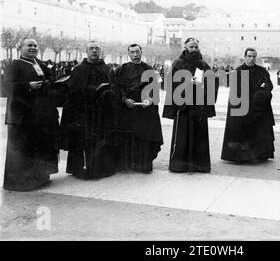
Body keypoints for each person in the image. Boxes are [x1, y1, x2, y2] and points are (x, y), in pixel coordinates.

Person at [3, 38, 60, 191]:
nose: (33, 48)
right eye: (29, 45)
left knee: (39, 146)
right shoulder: (14, 65)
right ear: (21, 48)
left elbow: (50, 81)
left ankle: (40, 178)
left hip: (40, 114)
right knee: (23, 148)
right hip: (21, 114)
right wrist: (27, 86)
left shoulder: (40, 64)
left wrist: (48, 84)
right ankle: (21, 183)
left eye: (35, 45)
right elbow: (6, 86)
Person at [60, 41, 117, 179]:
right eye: (91, 48)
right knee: (81, 141)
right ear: (86, 51)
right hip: (83, 113)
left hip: (101, 113)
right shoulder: (79, 69)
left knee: (101, 141)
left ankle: (101, 168)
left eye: (97, 48)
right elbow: (73, 91)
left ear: (101, 51)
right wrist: (92, 91)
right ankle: (78, 168)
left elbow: (115, 89)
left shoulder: (108, 70)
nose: (94, 51)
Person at [162, 37, 218, 173]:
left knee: (199, 135)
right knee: (182, 135)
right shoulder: (178, 63)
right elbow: (169, 83)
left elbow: (212, 81)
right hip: (183, 105)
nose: (194, 49)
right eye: (191, 47)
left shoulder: (203, 64)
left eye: (196, 47)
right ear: (185, 47)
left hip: (199, 105)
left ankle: (199, 165)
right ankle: (179, 165)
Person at [114, 44, 163, 173]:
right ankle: (129, 164)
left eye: (137, 52)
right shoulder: (122, 69)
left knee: (145, 137)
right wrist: (124, 99)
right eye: (132, 52)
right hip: (128, 109)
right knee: (129, 136)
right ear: (128, 54)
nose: (135, 55)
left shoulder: (149, 69)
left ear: (141, 52)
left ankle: (144, 164)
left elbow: (155, 88)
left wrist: (150, 99)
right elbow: (118, 87)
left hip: (145, 110)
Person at [221, 48, 275, 163]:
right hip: (243, 106)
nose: (252, 59)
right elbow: (235, 92)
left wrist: (262, 93)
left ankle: (259, 154)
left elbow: (269, 86)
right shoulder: (238, 71)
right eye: (249, 56)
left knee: (258, 131)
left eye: (254, 56)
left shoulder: (262, 71)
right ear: (244, 57)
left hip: (258, 107)